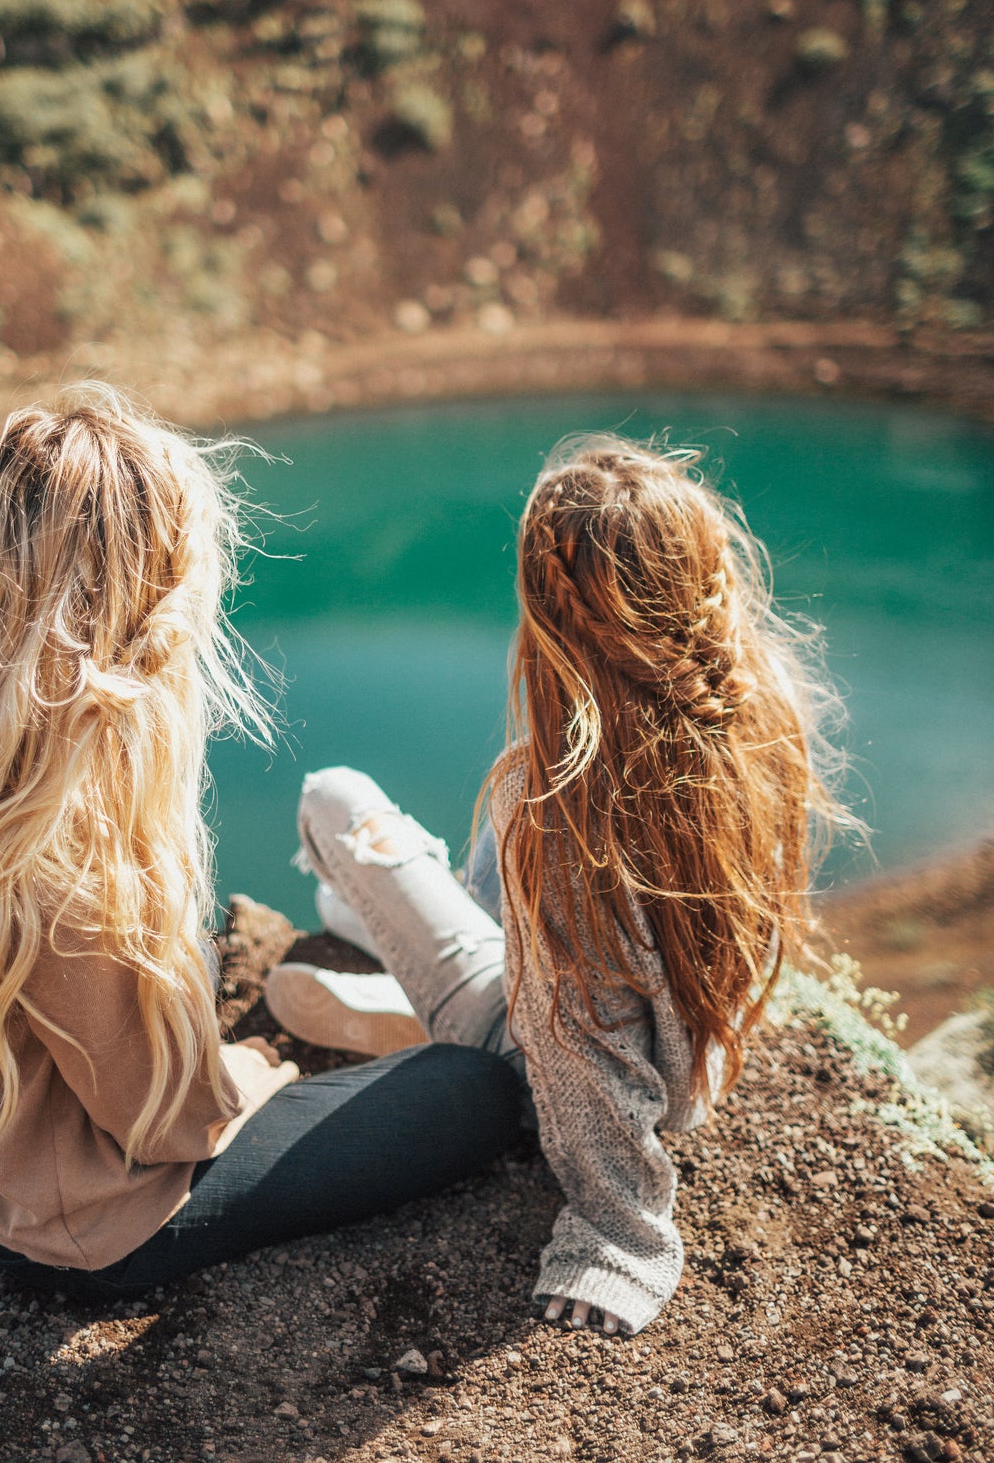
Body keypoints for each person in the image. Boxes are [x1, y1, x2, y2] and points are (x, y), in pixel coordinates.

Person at [0, 384, 521, 1300]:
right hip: (88, 1224)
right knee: (476, 1092)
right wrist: (247, 1075)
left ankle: (393, 1004)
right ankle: (421, 1015)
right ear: (144, 594)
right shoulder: (61, 848)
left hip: (2, 1163)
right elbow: (165, 1126)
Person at [264, 435, 852, 1336]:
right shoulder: (757, 704)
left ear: (555, 611)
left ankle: (431, 1009)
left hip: (537, 1046)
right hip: (697, 1061)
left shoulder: (562, 809)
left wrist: (620, 1236)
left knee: (334, 800)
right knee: (438, 872)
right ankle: (410, 968)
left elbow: (580, 1044)